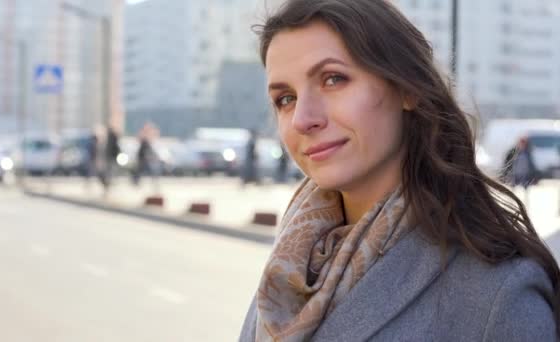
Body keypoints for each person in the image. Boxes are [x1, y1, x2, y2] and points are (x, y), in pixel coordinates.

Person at [239, 1, 559, 341]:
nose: (303, 119)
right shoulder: (290, 266)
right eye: (285, 98)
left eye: (333, 79)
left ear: (407, 88)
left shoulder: (498, 294)